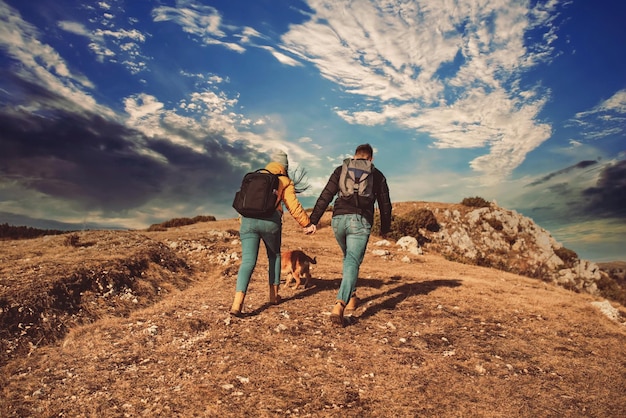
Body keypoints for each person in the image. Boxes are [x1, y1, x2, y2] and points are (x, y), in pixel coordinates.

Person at [308, 144, 392, 327]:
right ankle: (340, 305)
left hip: (338, 221)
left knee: (349, 259)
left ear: (354, 156)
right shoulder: (376, 175)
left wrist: (313, 221)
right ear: (371, 158)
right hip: (360, 222)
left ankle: (352, 298)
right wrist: (385, 229)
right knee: (352, 261)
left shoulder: (341, 170)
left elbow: (326, 195)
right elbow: (385, 204)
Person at [230, 150, 316, 317]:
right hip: (270, 222)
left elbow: (243, 201)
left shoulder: (254, 176)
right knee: (274, 257)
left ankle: (237, 303)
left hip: (247, 222)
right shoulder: (284, 180)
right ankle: (273, 296)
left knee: (248, 261)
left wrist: (244, 223)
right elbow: (293, 205)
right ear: (285, 166)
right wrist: (307, 223)